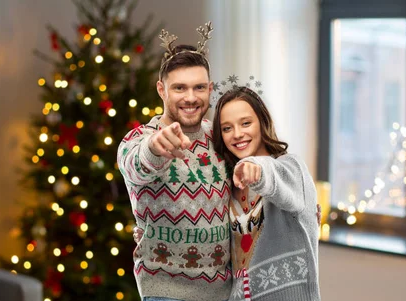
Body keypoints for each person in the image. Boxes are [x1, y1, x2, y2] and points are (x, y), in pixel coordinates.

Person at [117, 22, 233, 301]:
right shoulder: (139, 138)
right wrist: (154, 149)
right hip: (165, 294)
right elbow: (137, 166)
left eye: (199, 87)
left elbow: (253, 177)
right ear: (161, 89)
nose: (191, 97)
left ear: (210, 88)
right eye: (179, 88)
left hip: (224, 292)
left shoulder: (221, 135)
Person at [211, 84, 321, 301]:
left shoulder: (292, 169)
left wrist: (257, 168)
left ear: (262, 122)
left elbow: (275, 177)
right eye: (227, 128)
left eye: (245, 123)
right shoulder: (230, 184)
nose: (237, 134)